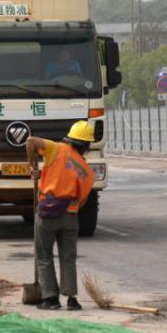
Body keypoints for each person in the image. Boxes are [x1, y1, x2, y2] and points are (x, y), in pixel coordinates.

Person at [25, 121, 97, 311]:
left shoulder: (55, 149)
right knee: (68, 257)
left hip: (47, 213)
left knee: (44, 256)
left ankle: (51, 299)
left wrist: (32, 164)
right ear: (86, 145)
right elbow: (82, 200)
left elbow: (31, 141)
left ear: (70, 137)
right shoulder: (86, 171)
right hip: (69, 216)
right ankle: (72, 299)